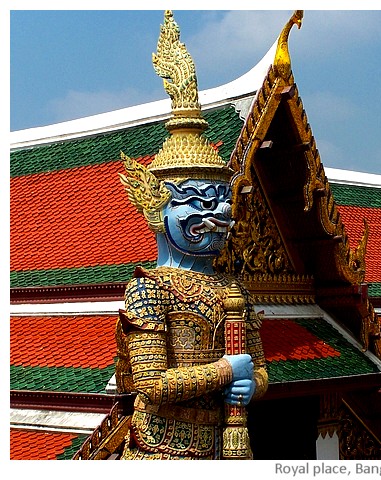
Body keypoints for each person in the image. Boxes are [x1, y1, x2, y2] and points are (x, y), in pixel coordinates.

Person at [114, 10, 267, 459]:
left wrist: (250, 386)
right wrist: (225, 370)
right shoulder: (147, 289)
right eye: (198, 201)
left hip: (225, 443)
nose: (219, 213)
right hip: (162, 447)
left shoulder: (232, 290)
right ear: (157, 206)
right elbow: (151, 383)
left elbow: (259, 372)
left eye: (222, 199)